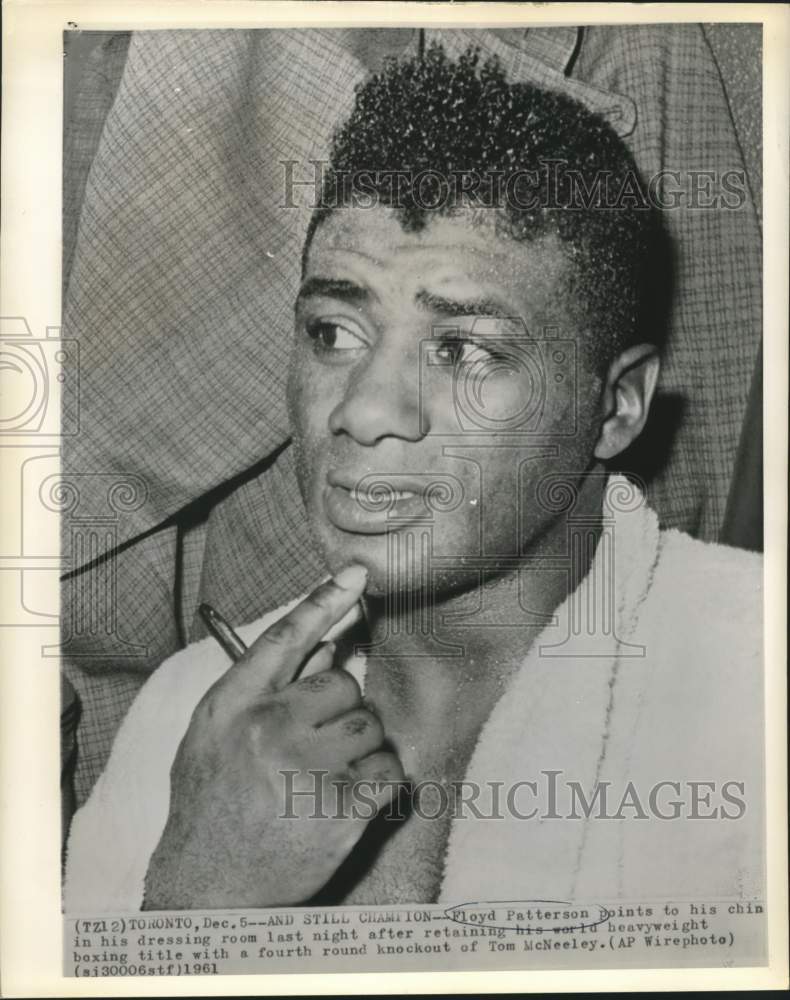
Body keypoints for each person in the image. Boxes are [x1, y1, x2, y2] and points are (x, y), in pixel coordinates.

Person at [64, 44, 762, 911]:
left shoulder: (753, 682)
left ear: (617, 406)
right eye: (332, 333)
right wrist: (199, 890)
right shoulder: (191, 713)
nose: (363, 410)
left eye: (462, 348)